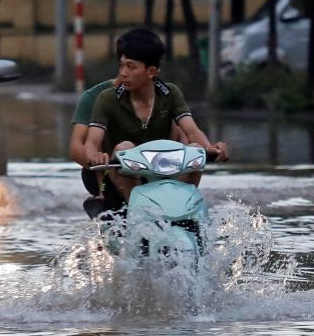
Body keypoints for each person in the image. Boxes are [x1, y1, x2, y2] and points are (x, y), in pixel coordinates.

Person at [82, 28, 230, 204]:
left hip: (161, 173)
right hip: (119, 179)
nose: (123, 73)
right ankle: (135, 207)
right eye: (121, 65)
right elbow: (91, 142)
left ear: (151, 72)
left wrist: (210, 149)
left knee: (195, 148)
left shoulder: (171, 93)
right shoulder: (107, 98)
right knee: (125, 147)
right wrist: (95, 156)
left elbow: (192, 130)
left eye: (130, 66)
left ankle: (183, 204)